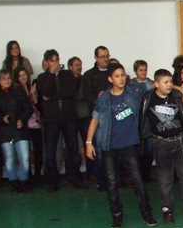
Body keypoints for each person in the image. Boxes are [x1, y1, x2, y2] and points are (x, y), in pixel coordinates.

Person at [86, 62, 157, 228]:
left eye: (123, 75)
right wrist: (88, 143)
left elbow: (156, 84)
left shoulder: (135, 91)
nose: (121, 79)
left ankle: (146, 213)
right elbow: (95, 119)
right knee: (112, 182)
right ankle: (117, 216)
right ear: (110, 79)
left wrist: (180, 88)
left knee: (138, 180)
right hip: (109, 146)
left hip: (129, 145)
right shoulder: (103, 99)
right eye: (117, 76)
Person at [140, 68, 183, 224]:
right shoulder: (148, 98)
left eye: (171, 81)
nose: (169, 85)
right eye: (165, 82)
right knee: (165, 178)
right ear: (156, 84)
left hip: (181, 140)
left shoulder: (178, 96)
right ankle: (167, 210)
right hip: (161, 142)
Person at [36, 49, 86, 192]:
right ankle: (52, 181)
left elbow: (71, 92)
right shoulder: (42, 77)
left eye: (57, 60)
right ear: (47, 62)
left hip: (68, 117)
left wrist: (52, 97)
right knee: (50, 151)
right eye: (52, 61)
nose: (55, 63)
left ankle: (75, 178)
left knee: (73, 148)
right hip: (51, 119)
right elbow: (46, 92)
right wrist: (52, 75)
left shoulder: (67, 74)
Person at [0, 69, 33, 193]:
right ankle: (13, 182)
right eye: (3, 79)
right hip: (5, 131)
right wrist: (2, 119)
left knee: (25, 157)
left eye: (8, 78)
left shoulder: (18, 91)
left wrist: (22, 120)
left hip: (20, 130)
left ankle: (24, 181)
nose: (7, 81)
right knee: (9, 158)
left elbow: (28, 108)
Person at [82, 46, 111, 190]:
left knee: (114, 149)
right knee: (99, 150)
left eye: (107, 56)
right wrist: (99, 99)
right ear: (95, 58)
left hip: (114, 117)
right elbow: (88, 98)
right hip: (98, 118)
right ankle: (101, 179)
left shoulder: (113, 72)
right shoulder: (89, 75)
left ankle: (114, 178)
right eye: (102, 56)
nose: (105, 59)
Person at [13, 67, 42, 184]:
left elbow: (38, 105)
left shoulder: (33, 86)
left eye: (24, 74)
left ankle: (38, 175)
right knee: (26, 152)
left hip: (36, 123)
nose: (23, 77)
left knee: (38, 150)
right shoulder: (15, 89)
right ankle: (28, 176)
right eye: (20, 76)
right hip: (24, 124)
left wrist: (33, 94)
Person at [132, 60, 155, 182]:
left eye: (145, 69)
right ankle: (137, 176)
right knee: (136, 150)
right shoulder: (130, 84)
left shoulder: (152, 83)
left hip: (149, 120)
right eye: (141, 70)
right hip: (135, 120)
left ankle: (146, 174)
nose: (144, 72)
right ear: (136, 71)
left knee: (149, 149)